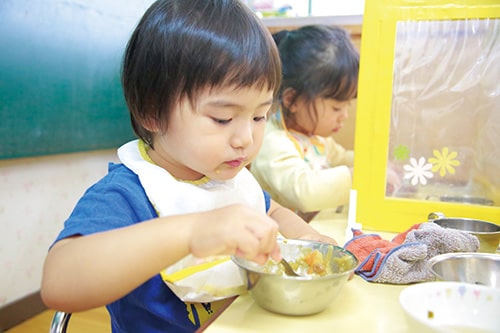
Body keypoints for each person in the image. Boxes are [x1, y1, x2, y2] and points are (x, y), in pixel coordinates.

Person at [40, 1, 337, 332]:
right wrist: (193, 232)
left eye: (258, 116)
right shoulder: (127, 195)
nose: (245, 138)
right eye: (222, 118)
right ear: (153, 111)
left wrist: (308, 237)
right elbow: (58, 282)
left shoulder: (229, 178)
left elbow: (271, 212)